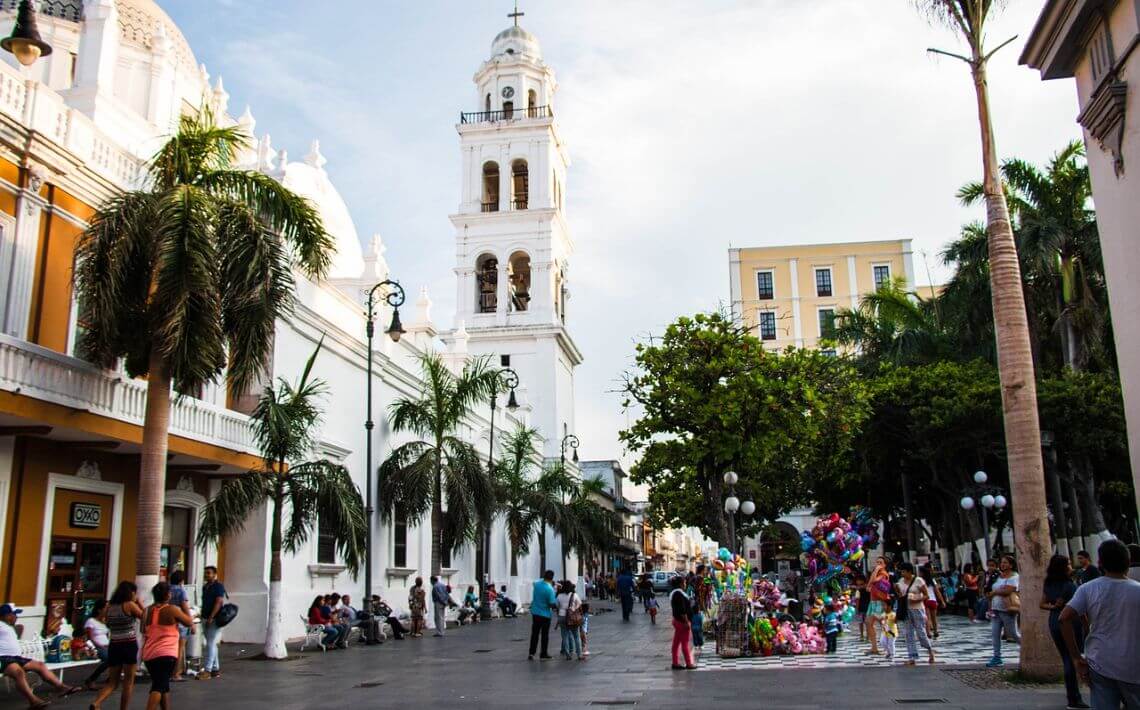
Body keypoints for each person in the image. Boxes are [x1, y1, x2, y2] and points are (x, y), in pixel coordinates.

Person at [1060, 538, 1140, 709]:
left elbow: (1064, 618)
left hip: (1099, 662)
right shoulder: (1137, 590)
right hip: (1134, 665)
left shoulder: (1088, 588)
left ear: (1100, 562)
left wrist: (1076, 657)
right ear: (1128, 562)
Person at [0, 603, 80, 708]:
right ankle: (33, 701)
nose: (16, 617)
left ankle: (61, 687)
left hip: (16, 657)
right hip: (3, 658)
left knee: (40, 665)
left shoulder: (8, 626)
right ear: (6, 615)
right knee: (18, 672)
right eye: (14, 614)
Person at [1040, 554, 1088, 710]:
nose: (1070, 566)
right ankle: (1075, 698)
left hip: (1054, 620)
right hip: (1070, 621)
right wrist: (1086, 625)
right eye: (1067, 564)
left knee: (1066, 657)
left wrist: (1054, 607)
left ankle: (1072, 697)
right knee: (1074, 657)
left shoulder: (1049, 583)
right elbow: (1078, 608)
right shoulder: (1069, 585)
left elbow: (1042, 603)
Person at [91, 581, 144, 710]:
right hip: (128, 644)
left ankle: (97, 702)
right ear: (131, 593)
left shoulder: (110, 607)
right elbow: (145, 617)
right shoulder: (130, 605)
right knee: (128, 682)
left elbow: (106, 622)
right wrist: (140, 603)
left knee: (113, 682)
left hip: (114, 645)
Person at [141, 582, 194, 710]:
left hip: (149, 654)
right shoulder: (172, 609)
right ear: (168, 595)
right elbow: (188, 622)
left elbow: (143, 630)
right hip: (166, 653)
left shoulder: (147, 610)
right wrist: (187, 609)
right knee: (158, 687)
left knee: (162, 684)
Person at [896, 562, 935, 666]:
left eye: (904, 571)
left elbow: (926, 595)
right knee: (908, 634)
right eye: (901, 571)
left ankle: (930, 651)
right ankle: (912, 657)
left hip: (917, 609)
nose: (902, 573)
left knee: (921, 632)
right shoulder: (901, 581)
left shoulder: (918, 580)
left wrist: (917, 599)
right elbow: (901, 595)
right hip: (906, 609)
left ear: (909, 571)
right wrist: (898, 592)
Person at [985, 554, 1021, 667]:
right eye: (1002, 562)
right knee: (995, 634)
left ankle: (1028, 649)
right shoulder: (999, 576)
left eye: (1005, 563)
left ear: (1011, 565)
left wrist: (995, 592)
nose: (1003, 565)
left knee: (1013, 633)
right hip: (996, 608)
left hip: (1007, 609)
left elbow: (1009, 590)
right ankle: (997, 657)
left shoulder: (1014, 576)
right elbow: (992, 589)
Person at [199, 565, 226, 679]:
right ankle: (215, 669)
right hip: (205, 617)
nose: (206, 575)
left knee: (210, 643)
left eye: (209, 573)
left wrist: (211, 616)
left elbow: (219, 601)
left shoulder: (218, 586)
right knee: (211, 643)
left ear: (214, 574)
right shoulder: (205, 587)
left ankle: (208, 670)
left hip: (213, 619)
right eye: (205, 573)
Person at [167, 570, 194, 682]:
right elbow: (185, 607)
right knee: (179, 648)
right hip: (180, 622)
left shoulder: (167, 589)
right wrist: (191, 622)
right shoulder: (181, 591)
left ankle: (168, 671)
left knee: (169, 648)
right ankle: (176, 673)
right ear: (181, 580)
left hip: (168, 621)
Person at [528, 570, 557, 660]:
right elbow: (552, 604)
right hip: (545, 614)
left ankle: (531, 653)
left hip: (535, 613)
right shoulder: (550, 589)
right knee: (544, 635)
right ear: (552, 578)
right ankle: (543, 653)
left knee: (534, 634)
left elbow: (534, 582)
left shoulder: (537, 584)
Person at [82, 599, 111, 690]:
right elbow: (88, 638)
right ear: (99, 610)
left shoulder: (104, 622)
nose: (108, 610)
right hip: (96, 647)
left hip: (107, 645)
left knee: (121, 656)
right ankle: (91, 679)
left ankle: (112, 679)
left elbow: (106, 635)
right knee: (109, 659)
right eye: (106, 608)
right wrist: (99, 645)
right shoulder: (91, 621)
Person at [668, 577, 695, 670]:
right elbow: (682, 610)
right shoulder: (678, 594)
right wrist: (686, 621)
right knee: (685, 643)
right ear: (680, 584)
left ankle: (675, 663)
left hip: (677, 620)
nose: (685, 584)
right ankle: (688, 663)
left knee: (676, 643)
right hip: (682, 622)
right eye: (684, 583)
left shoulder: (675, 593)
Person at [867, 556, 891, 655]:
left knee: (883, 624)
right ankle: (874, 648)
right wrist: (874, 571)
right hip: (873, 602)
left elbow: (873, 581)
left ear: (885, 565)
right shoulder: (876, 572)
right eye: (877, 562)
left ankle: (889, 646)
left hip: (879, 602)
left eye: (880, 562)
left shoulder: (883, 573)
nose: (878, 564)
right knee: (869, 623)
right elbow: (868, 585)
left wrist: (876, 570)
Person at [556, 581, 583, 660]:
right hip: (572, 618)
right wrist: (573, 608)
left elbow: (557, 606)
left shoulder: (559, 596)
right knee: (576, 636)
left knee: (565, 636)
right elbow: (579, 605)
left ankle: (568, 655)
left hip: (562, 616)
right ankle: (579, 654)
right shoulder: (574, 595)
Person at [920, 564, 946, 639]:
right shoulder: (932, 581)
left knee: (927, 618)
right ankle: (935, 631)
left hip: (925, 600)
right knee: (934, 618)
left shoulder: (921, 581)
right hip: (933, 600)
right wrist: (942, 601)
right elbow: (937, 592)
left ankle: (928, 633)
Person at [853, 575, 869, 641]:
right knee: (865, 623)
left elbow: (857, 600)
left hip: (862, 608)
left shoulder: (858, 590)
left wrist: (856, 609)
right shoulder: (868, 587)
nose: (857, 581)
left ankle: (863, 636)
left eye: (858, 580)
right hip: (867, 607)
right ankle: (865, 636)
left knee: (862, 622)